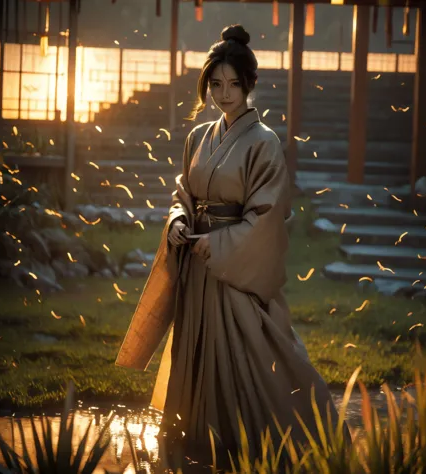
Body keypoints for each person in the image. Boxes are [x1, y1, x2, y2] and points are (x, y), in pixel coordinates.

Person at [115, 24, 351, 469]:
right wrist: (180, 220)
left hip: (233, 268)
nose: (224, 95)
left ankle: (262, 443)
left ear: (250, 85)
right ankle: (198, 442)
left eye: (233, 85)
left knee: (253, 361)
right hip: (197, 270)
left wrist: (216, 243)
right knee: (196, 351)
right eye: (216, 85)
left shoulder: (264, 143)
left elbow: (266, 218)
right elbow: (183, 191)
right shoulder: (197, 137)